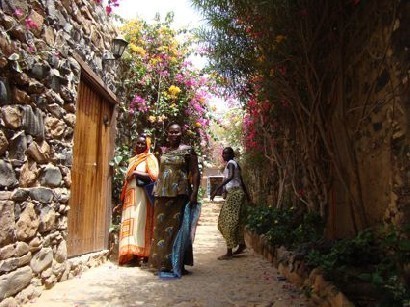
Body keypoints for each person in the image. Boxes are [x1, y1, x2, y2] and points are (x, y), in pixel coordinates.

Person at [148, 123, 201, 278]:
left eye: (177, 132)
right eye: (171, 132)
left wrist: (195, 193)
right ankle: (162, 264)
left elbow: (195, 173)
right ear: (167, 134)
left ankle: (178, 263)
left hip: (180, 194)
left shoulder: (188, 151)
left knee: (179, 230)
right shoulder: (163, 151)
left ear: (181, 134)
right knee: (160, 230)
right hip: (162, 194)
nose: (174, 135)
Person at [114, 134, 159, 266]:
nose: (139, 146)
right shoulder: (133, 160)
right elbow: (126, 182)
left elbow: (154, 176)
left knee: (140, 224)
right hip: (129, 198)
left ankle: (142, 255)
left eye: (142, 144)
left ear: (147, 146)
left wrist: (135, 173)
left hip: (142, 198)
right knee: (130, 226)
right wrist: (120, 201)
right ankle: (132, 255)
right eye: (137, 143)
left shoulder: (150, 158)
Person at [210, 147, 250, 260]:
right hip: (237, 193)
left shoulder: (231, 163)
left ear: (232, 155)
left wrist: (218, 187)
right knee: (235, 221)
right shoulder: (234, 164)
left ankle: (229, 252)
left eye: (226, 153)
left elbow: (231, 176)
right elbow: (241, 181)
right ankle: (241, 245)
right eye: (223, 153)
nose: (223, 155)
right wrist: (248, 197)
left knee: (227, 221)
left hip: (235, 194)